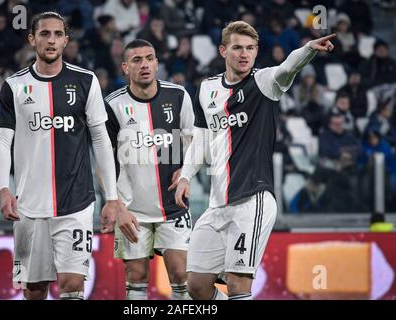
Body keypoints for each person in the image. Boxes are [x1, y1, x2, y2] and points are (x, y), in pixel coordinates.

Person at [175, 21, 336, 300]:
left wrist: (309, 49)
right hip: (218, 203)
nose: (244, 54)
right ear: (223, 50)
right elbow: (200, 139)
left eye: (250, 48)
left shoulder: (265, 83)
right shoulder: (207, 89)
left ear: (257, 51)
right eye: (237, 48)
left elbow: (288, 67)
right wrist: (186, 176)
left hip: (253, 199)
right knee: (196, 285)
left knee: (238, 283)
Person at [0, 12, 120, 300]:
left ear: (65, 40)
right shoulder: (13, 86)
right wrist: (3, 188)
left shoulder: (86, 81)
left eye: (57, 34)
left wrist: (111, 196)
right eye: (45, 34)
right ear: (32, 39)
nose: (51, 40)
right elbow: (2, 142)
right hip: (29, 205)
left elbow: (100, 139)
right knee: (34, 291)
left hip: (76, 201)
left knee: (72, 285)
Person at [104, 39, 194, 300]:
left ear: (157, 63)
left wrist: (187, 170)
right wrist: (116, 205)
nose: (144, 64)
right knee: (136, 277)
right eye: (136, 60)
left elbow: (196, 143)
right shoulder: (113, 105)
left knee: (181, 275)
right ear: (125, 67)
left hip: (173, 206)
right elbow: (103, 161)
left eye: (149, 58)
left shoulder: (178, 96)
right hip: (131, 210)